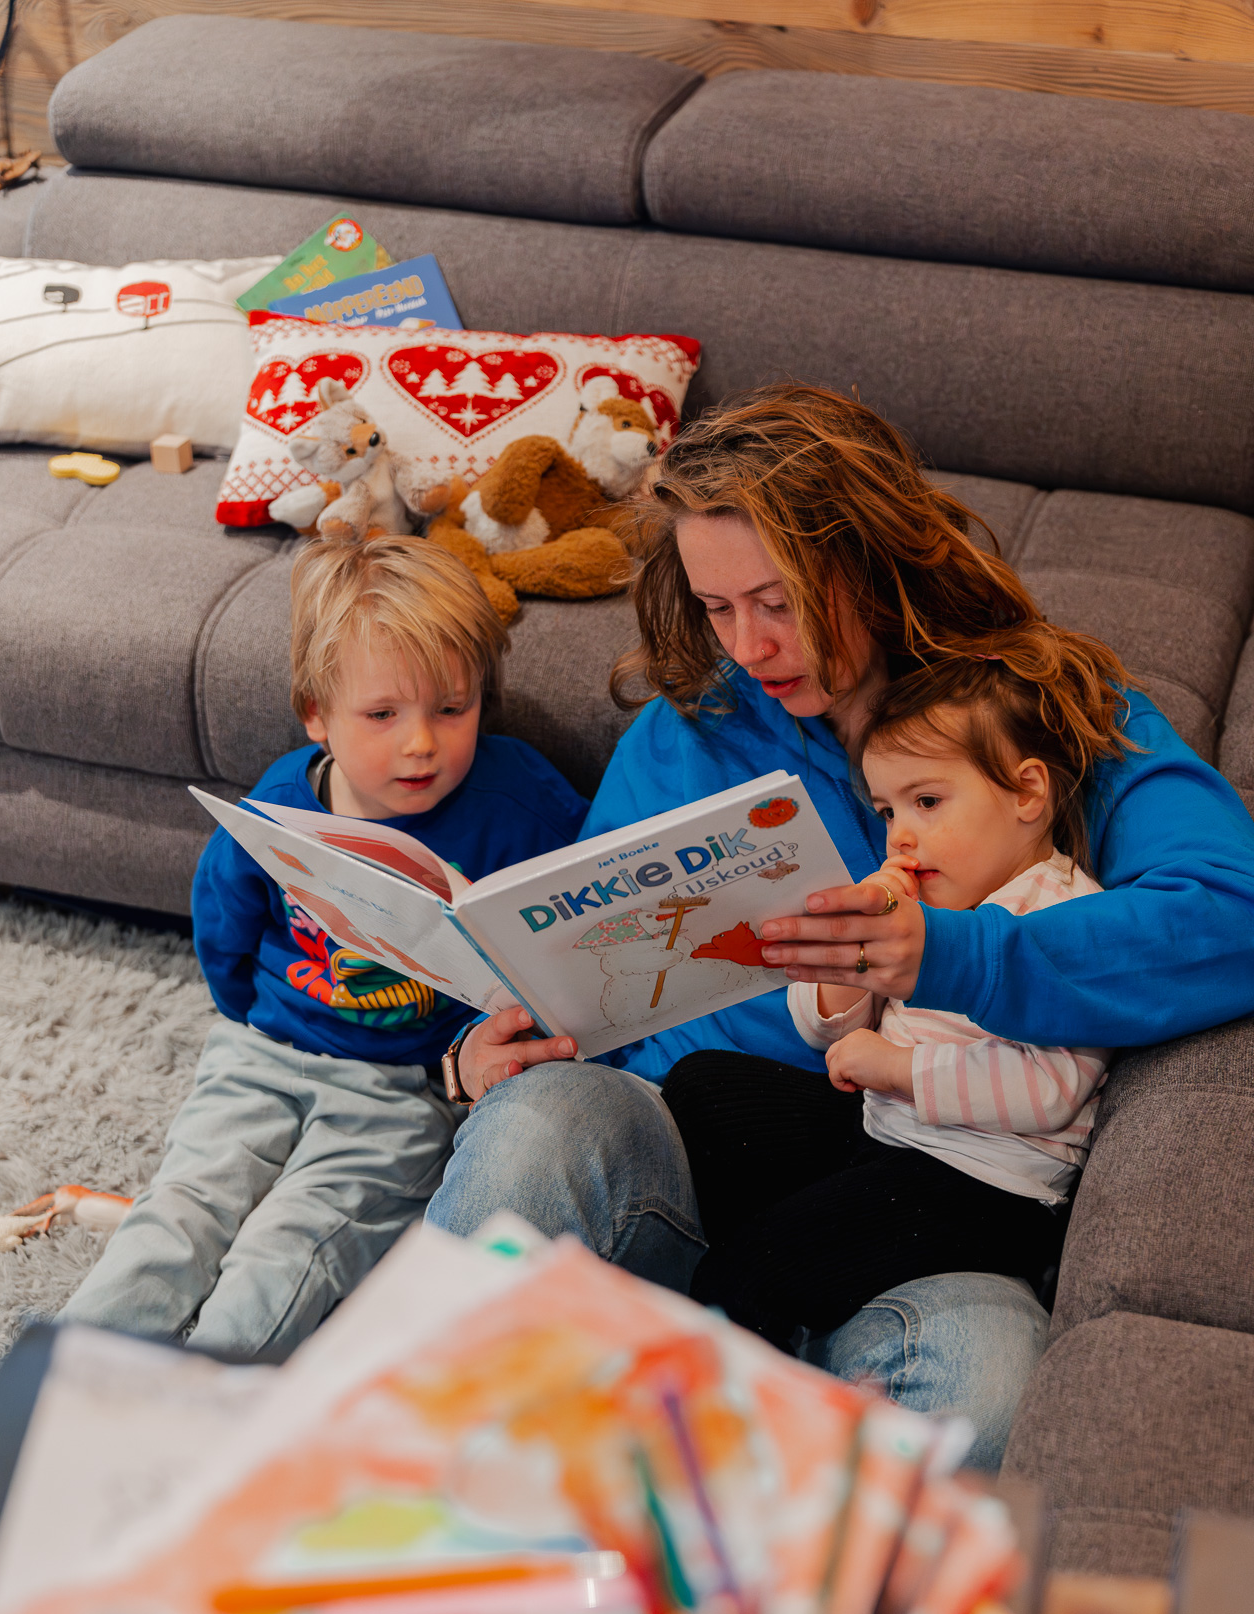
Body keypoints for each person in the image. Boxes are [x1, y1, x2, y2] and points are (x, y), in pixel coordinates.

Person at [426, 384, 1254, 1468]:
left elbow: (1230, 915)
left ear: (873, 560)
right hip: (686, 1149)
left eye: (777, 602)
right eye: (718, 607)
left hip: (919, 1190)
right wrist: (483, 1052)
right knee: (533, 1125)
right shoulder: (692, 727)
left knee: (983, 1395)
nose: (750, 646)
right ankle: (413, 1484)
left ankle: (724, 1487)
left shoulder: (1039, 713)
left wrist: (947, 955)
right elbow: (581, 978)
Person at [61, 535, 586, 1360]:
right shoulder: (280, 804)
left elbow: (577, 910)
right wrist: (251, 1017)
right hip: (263, 1053)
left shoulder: (519, 801)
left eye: (452, 709)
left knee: (294, 1245)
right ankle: (63, 1380)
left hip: (403, 1086)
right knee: (182, 1210)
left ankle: (212, 1398)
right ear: (317, 715)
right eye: (382, 715)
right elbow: (224, 921)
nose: (421, 743)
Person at [664, 640, 1120, 1352]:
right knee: (701, 1086)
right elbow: (824, 1033)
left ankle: (763, 1312)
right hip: (884, 1133)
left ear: (1027, 794)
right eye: (885, 811)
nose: (900, 836)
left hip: (987, 1186)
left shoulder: (1071, 919)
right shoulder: (927, 901)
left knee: (743, 1272)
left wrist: (897, 1069)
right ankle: (805, 1257)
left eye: (927, 802)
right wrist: (843, 963)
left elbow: (1050, 1091)